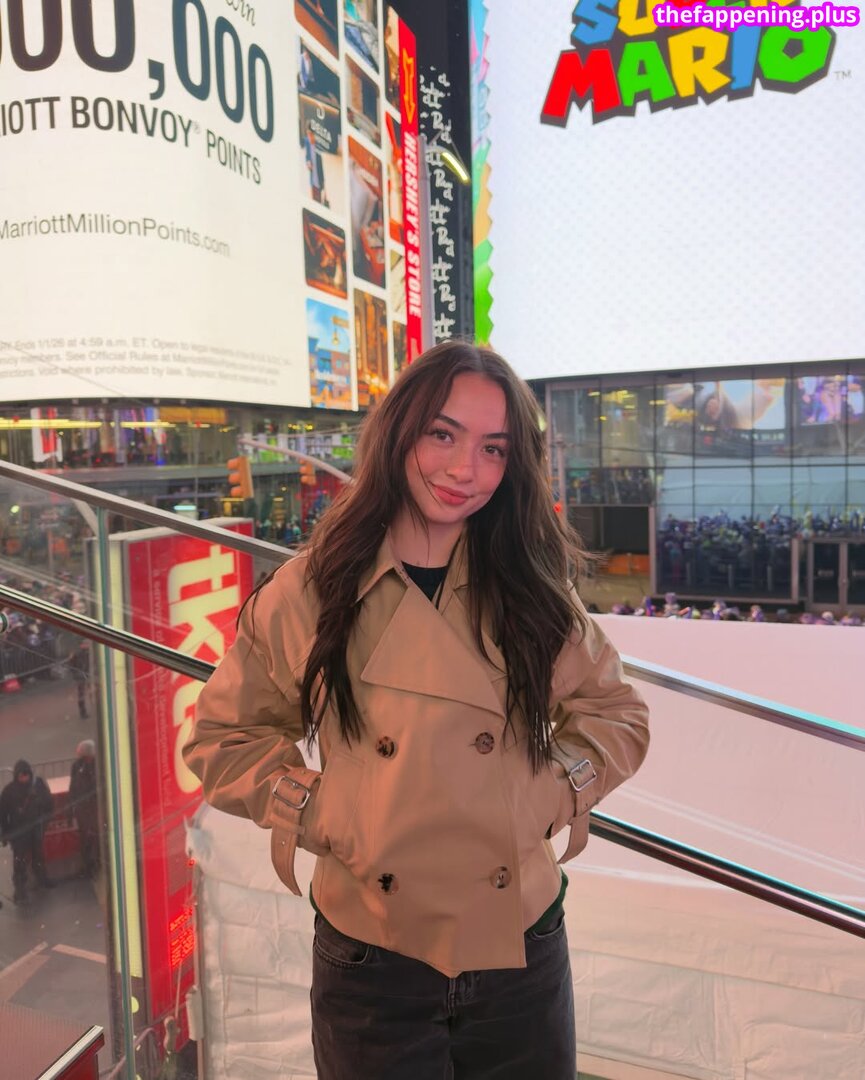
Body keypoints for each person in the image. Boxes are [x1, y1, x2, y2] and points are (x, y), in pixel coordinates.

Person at [184, 341, 650, 1079]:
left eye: (493, 449)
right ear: (398, 432)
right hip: (373, 957)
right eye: (442, 434)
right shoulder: (311, 590)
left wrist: (548, 792)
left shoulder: (528, 588)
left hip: (519, 946)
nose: (466, 470)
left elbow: (616, 714)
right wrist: (329, 812)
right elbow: (223, 737)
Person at [0, 759, 55, 904]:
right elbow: (3, 814)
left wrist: (45, 820)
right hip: (19, 832)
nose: (24, 777)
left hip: (36, 828)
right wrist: (5, 833)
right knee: (19, 861)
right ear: (16, 775)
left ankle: (42, 879)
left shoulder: (38, 785)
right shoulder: (9, 791)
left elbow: (49, 803)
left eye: (26, 774)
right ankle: (20, 890)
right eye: (21, 775)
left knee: (38, 856)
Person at [68, 740, 99, 877]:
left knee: (96, 838)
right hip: (83, 810)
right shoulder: (76, 766)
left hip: (94, 808)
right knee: (85, 839)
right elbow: (72, 788)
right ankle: (88, 866)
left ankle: (96, 864)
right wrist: (70, 810)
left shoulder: (97, 766)